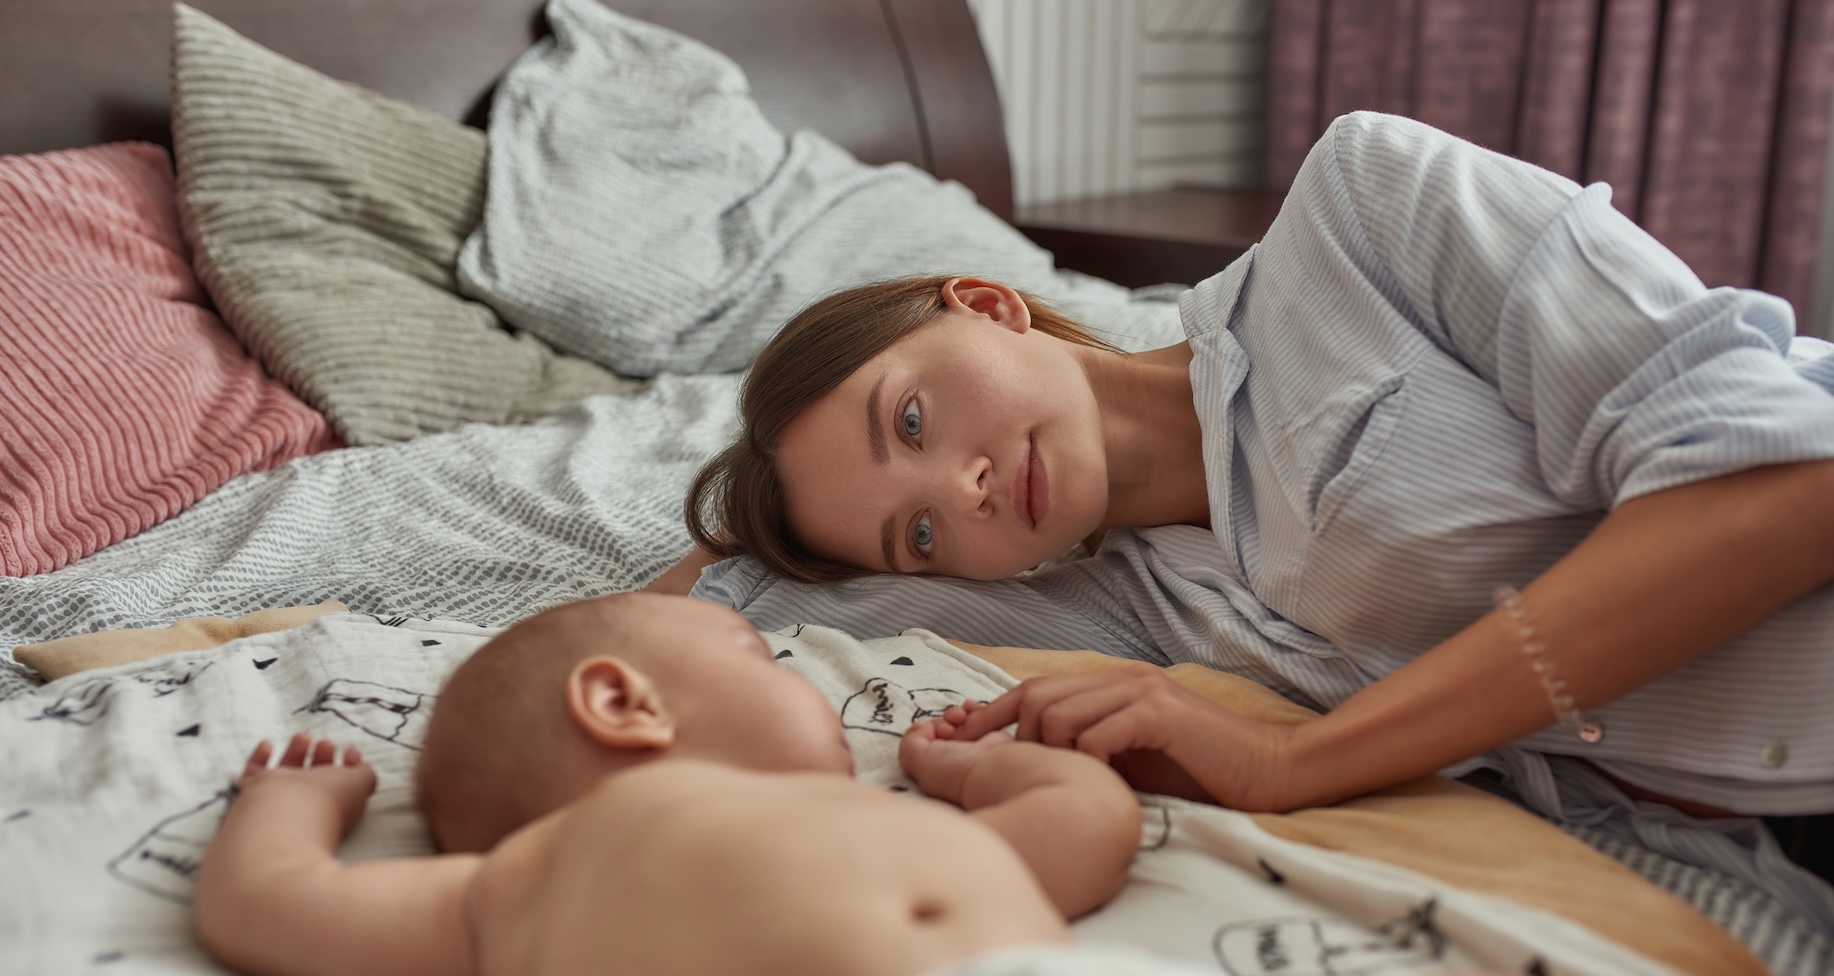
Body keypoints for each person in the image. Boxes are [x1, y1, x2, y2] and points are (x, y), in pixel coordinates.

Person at [663, 109, 1834, 913]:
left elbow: (1783, 480)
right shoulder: (1130, 613)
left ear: (983, 302)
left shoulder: (1359, 212)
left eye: (912, 420)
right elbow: (707, 624)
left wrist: (1301, 759)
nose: (959, 493)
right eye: (918, 534)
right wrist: (737, 530)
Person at [194, 592, 1667, 976]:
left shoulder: (898, 825)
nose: (811, 694)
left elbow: (1086, 825)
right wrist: (292, 805)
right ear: (625, 704)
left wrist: (971, 772)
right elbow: (281, 912)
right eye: (763, 659)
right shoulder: (526, 884)